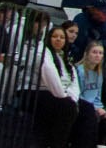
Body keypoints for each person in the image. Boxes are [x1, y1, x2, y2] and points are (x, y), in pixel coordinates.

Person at [35, 20, 81, 148]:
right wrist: (64, 96)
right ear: (48, 38)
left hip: (62, 95)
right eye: (55, 37)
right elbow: (50, 75)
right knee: (66, 106)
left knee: (87, 109)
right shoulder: (44, 52)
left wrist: (72, 97)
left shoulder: (65, 57)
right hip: (40, 91)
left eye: (61, 38)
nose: (58, 40)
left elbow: (74, 82)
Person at [73, 39, 106, 148]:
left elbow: (97, 95)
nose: (98, 55)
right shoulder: (80, 70)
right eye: (94, 52)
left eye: (100, 53)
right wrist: (94, 108)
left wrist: (100, 108)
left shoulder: (99, 73)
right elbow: (79, 93)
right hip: (81, 104)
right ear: (87, 54)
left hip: (93, 106)